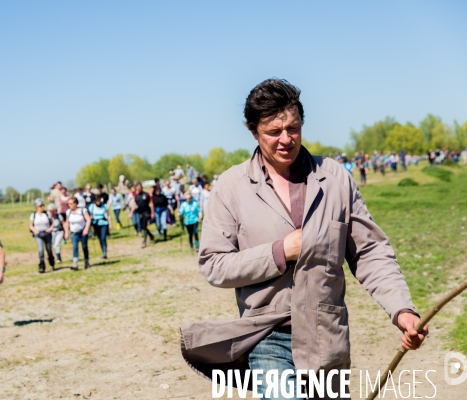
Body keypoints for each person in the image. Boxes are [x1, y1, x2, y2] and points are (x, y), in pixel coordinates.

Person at [180, 78, 428, 398]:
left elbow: (369, 251)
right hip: (268, 338)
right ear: (254, 132)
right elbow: (214, 264)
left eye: (293, 128)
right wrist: (280, 251)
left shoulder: (336, 178)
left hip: (327, 337)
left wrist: (402, 310)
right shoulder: (231, 188)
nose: (286, 139)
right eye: (273, 132)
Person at [64, 197, 91, 269]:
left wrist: (86, 229)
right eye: (68, 204)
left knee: (84, 246)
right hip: (74, 232)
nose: (69, 205)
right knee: (75, 247)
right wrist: (66, 232)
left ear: (76, 203)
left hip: (82, 231)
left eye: (71, 204)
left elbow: (88, 220)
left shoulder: (83, 210)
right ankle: (75, 263)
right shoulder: (68, 212)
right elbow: (67, 222)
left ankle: (86, 261)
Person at [29, 198, 54, 273]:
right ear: (36, 207)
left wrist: (50, 229)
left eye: (43, 205)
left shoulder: (47, 214)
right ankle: (42, 266)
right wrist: (34, 230)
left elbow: (52, 222)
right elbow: (30, 225)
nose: (42, 207)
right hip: (38, 234)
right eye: (40, 206)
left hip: (47, 233)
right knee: (41, 250)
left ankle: (52, 263)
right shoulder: (33, 215)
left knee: (49, 249)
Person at [129, 183, 154, 248]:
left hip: (146, 212)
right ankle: (151, 235)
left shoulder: (146, 194)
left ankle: (144, 241)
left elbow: (151, 203)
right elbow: (134, 204)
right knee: (143, 227)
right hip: (140, 212)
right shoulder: (136, 196)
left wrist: (152, 213)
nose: (138, 189)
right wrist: (131, 212)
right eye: (137, 188)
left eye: (140, 188)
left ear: (142, 188)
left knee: (144, 225)